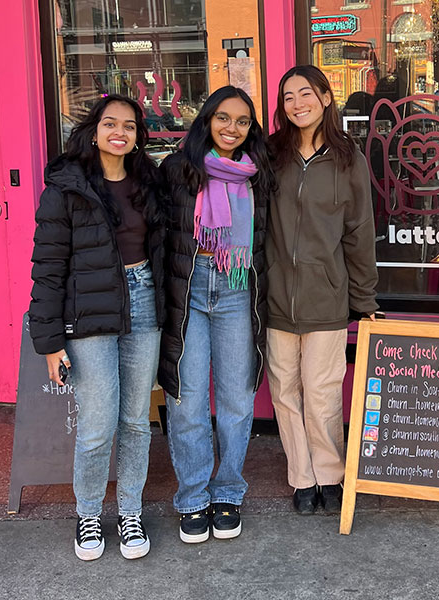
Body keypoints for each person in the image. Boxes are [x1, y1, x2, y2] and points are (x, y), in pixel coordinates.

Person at [29, 94, 165, 560]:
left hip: (144, 300)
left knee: (135, 421)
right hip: (89, 314)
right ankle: (89, 513)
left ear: (137, 135)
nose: (119, 133)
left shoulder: (149, 181)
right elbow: (48, 267)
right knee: (97, 423)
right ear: (94, 129)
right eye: (111, 123)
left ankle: (130, 511)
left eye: (129, 126)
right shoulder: (67, 187)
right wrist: (49, 343)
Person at [157, 86, 274, 543]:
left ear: (251, 128)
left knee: (236, 400)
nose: (232, 128)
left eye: (242, 121)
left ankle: (227, 489)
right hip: (188, 289)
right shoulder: (177, 169)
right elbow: (157, 236)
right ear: (206, 120)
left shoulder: (258, 173)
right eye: (222, 118)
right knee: (186, 402)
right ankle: (192, 496)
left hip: (237, 287)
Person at [266, 65, 378, 515]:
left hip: (327, 296)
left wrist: (364, 299)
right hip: (275, 296)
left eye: (306, 93)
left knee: (323, 390)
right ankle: (302, 476)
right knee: (284, 390)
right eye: (288, 96)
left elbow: (359, 233)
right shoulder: (270, 155)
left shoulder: (349, 158)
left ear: (327, 97)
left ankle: (330, 472)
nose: (297, 103)